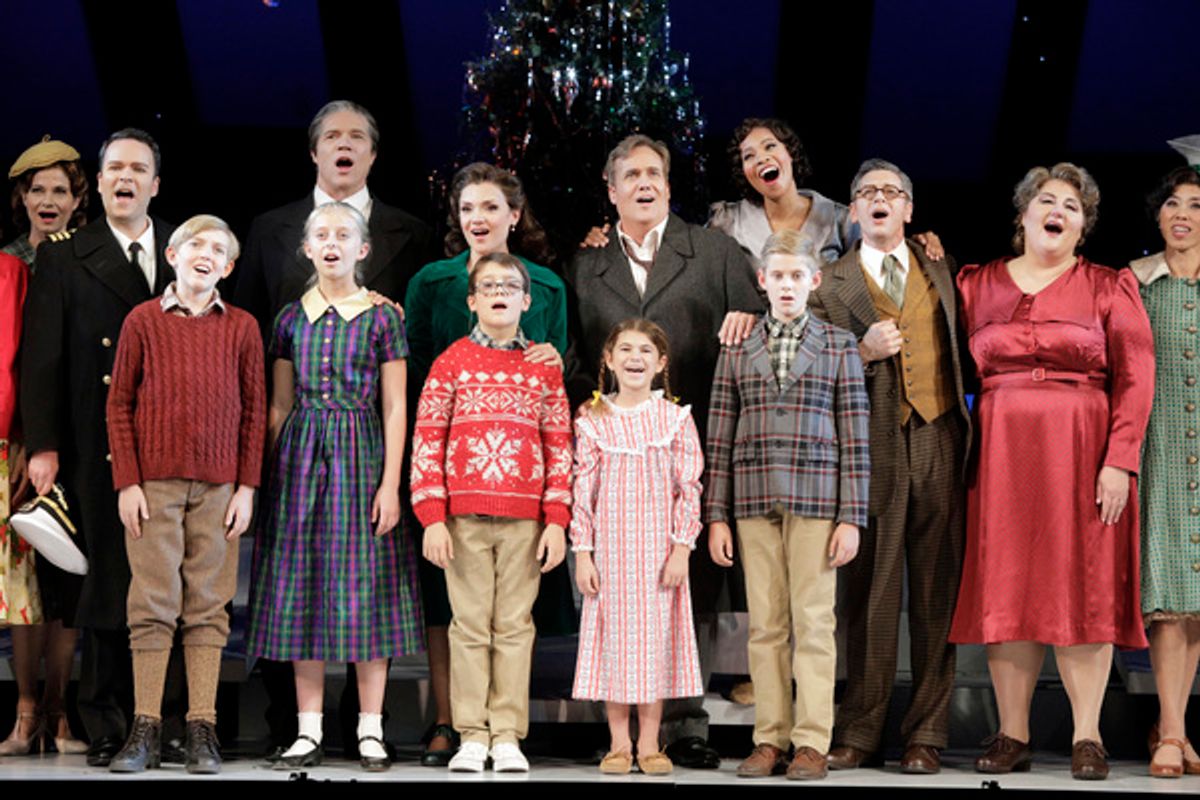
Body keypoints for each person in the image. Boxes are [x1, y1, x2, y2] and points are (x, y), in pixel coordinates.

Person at [234, 99, 434, 757]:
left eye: (357, 137)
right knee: (300, 585)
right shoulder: (288, 311)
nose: (331, 245)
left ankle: (370, 727)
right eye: (331, 136)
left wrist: (392, 484)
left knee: (366, 585)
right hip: (299, 461)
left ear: (364, 248)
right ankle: (306, 727)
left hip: (364, 452)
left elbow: (398, 404)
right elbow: (276, 402)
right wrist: (255, 477)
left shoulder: (386, 307)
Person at [949, 163, 1154, 780]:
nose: (1058, 208)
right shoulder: (974, 284)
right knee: (1007, 588)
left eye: (1072, 204)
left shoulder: (1107, 286)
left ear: (1082, 227)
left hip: (1083, 452)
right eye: (1046, 198)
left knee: (1080, 586)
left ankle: (1086, 737)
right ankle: (1013, 734)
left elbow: (1138, 378)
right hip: (1003, 453)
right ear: (1024, 215)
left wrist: (1119, 460)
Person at [565, 133, 763, 767]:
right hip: (616, 445)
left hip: (694, 444)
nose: (645, 182)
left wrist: (750, 319)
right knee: (622, 602)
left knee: (689, 589)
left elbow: (758, 322)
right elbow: (575, 351)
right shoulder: (587, 263)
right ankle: (622, 733)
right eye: (632, 174)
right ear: (612, 188)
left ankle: (686, 718)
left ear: (670, 187)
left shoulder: (715, 251)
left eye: (656, 173)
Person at [20, 128, 176, 767]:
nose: (124, 177)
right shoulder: (65, 253)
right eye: (114, 167)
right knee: (110, 583)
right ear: (102, 180)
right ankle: (109, 718)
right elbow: (41, 355)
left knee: (166, 581)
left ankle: (164, 719)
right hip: (93, 438)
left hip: (170, 439)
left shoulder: (185, 248)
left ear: (154, 184)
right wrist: (45, 444)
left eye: (138, 168)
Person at [403, 162, 567, 765]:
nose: (479, 218)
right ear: (472, 299)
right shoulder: (448, 357)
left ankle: (508, 734)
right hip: (461, 507)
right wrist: (433, 513)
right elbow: (426, 433)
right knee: (467, 624)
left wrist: (556, 517)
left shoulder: (543, 362)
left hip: (525, 512)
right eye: (468, 208)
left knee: (514, 625)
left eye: (492, 207)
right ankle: (470, 732)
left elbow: (560, 442)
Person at [810, 159, 970, 775]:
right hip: (868, 446)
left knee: (936, 593)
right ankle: (860, 729)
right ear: (852, 211)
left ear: (909, 208)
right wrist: (860, 350)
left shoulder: (941, 267)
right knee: (870, 596)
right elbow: (812, 369)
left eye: (892, 193)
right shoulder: (827, 283)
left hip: (939, 439)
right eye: (867, 193)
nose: (879, 200)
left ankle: (927, 731)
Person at [706, 230, 869, 781]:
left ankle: (811, 742)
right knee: (766, 625)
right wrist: (715, 514)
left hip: (817, 498)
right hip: (753, 498)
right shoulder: (738, 348)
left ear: (813, 281)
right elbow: (719, 434)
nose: (786, 285)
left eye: (796, 276)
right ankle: (769, 738)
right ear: (762, 282)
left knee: (814, 622)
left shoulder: (840, 345)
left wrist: (852, 515)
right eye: (777, 276)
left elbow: (855, 436)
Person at [104, 215, 266, 774]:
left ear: (228, 268)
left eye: (219, 249)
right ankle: (145, 725)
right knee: (151, 602)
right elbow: (119, 404)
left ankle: (202, 726)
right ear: (172, 254)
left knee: (208, 604)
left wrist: (247, 486)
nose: (207, 253)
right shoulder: (143, 321)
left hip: (220, 487)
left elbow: (253, 411)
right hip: (154, 485)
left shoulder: (242, 326)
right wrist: (128, 480)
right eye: (197, 244)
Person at [571, 319, 704, 776]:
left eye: (646, 351)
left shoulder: (675, 419)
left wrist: (682, 547)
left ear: (661, 363)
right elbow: (582, 491)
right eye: (625, 349)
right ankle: (618, 743)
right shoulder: (592, 420)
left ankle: (650, 743)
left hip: (658, 554)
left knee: (654, 644)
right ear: (608, 360)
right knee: (615, 644)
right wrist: (583, 553)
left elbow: (689, 488)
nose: (635, 358)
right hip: (610, 553)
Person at [0, 136, 88, 756]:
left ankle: (62, 707)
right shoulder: (5, 262)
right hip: (13, 439)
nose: (48, 200)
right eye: (38, 190)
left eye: (60, 189)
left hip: (71, 439)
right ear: (21, 198)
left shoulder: (86, 258)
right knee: (18, 581)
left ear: (78, 198)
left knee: (66, 577)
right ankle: (25, 708)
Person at [235, 99, 435, 342]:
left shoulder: (415, 234)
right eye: (332, 136)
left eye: (357, 136)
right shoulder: (268, 229)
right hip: (288, 377)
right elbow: (245, 326)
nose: (344, 144)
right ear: (314, 153)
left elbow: (425, 329)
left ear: (373, 155)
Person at [1130, 165, 1200, 778]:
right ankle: (1173, 733)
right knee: (1171, 594)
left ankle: (1172, 723)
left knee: (1196, 599)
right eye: (1172, 202)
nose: (1182, 214)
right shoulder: (1135, 282)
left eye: (1197, 204)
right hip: (1160, 450)